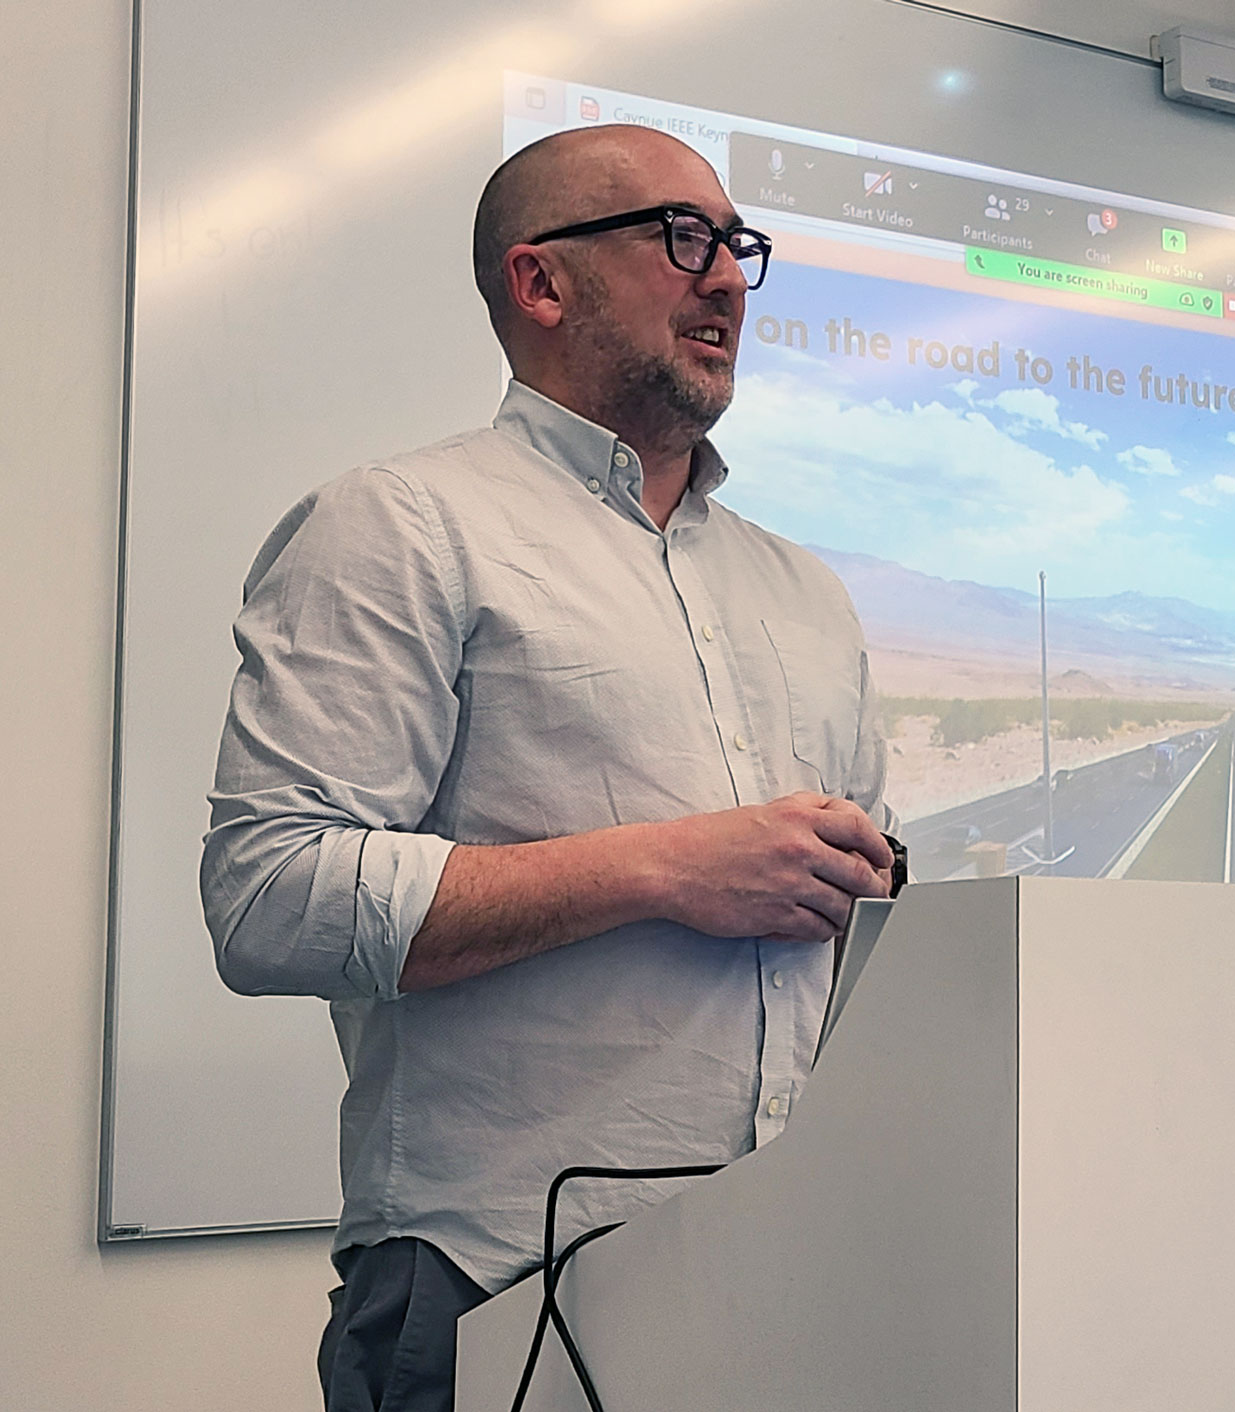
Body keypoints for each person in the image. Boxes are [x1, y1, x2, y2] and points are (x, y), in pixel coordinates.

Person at [199, 125, 898, 1411]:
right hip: (492, 1286)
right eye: (683, 238)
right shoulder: (399, 526)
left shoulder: (805, 591)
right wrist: (666, 865)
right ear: (540, 282)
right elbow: (269, 896)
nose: (729, 278)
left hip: (799, 1272)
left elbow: (862, 926)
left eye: (739, 246)